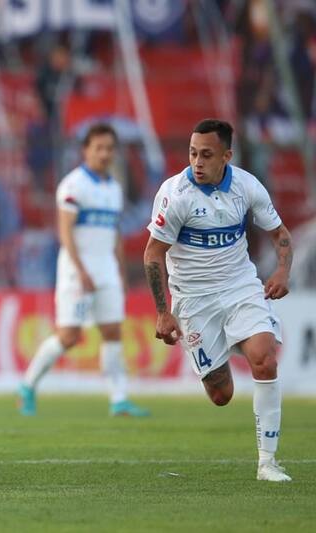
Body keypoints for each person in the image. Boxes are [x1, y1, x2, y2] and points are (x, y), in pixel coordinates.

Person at [144, 119, 292, 482]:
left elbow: (280, 235)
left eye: (206, 155)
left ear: (226, 156)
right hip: (194, 299)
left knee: (265, 360)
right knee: (221, 394)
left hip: (240, 286)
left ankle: (267, 463)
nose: (197, 161)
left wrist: (282, 272)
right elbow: (152, 254)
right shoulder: (175, 194)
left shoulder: (246, 187)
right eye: (193, 153)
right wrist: (164, 312)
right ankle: (231, 342)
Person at [18, 124, 149, 418]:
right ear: (85, 151)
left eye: (109, 148)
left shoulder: (114, 187)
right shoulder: (73, 185)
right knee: (69, 336)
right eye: (98, 148)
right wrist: (81, 271)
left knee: (113, 330)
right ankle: (27, 386)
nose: (104, 154)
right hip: (77, 270)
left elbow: (113, 231)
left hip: (106, 269)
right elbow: (65, 233)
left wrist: (120, 271)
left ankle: (119, 399)